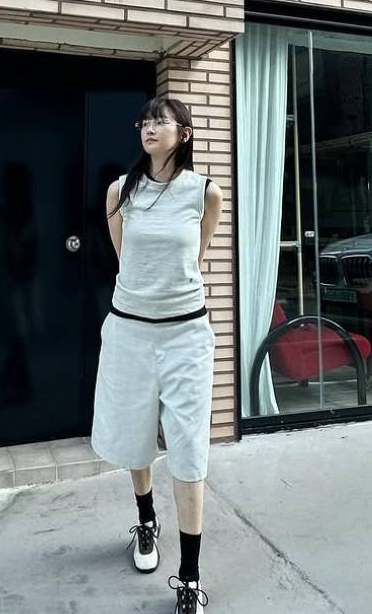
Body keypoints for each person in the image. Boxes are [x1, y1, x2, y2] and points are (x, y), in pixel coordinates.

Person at [91, 96, 223, 613]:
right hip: (130, 331)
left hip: (186, 334)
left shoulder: (205, 192)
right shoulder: (120, 191)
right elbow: (127, 260)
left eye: (160, 121)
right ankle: (146, 520)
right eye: (144, 122)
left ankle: (189, 576)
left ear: (184, 133)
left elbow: (196, 257)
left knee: (189, 447)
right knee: (135, 433)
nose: (149, 128)